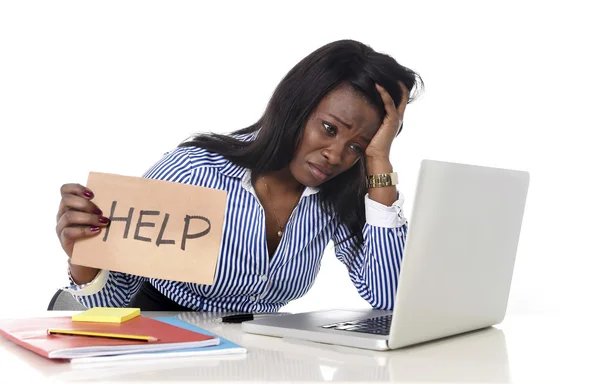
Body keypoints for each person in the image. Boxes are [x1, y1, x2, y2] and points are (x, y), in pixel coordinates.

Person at [56, 39, 424, 312]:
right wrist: (85, 259)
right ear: (296, 108)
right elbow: (108, 307)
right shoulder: (193, 172)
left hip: (261, 356)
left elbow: (390, 296)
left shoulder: (338, 194)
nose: (337, 155)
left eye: (357, 146)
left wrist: (379, 165)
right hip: (162, 346)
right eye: (329, 128)